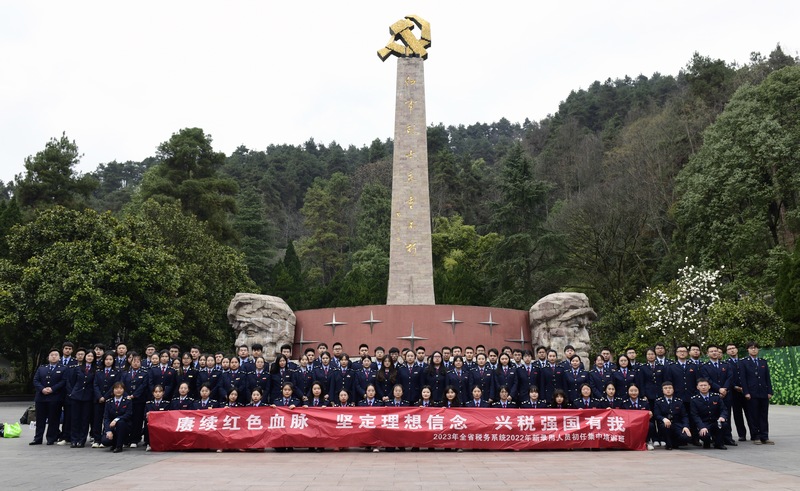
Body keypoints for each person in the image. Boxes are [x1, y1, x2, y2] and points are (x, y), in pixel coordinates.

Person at [739, 341, 774, 445]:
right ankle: (756, 436)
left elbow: (767, 378)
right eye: (751, 348)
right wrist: (746, 392)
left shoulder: (763, 362)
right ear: (748, 350)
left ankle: (765, 436)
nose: (753, 349)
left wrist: (769, 391)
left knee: (764, 415)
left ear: (758, 349)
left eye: (755, 348)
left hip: (763, 392)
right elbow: (743, 379)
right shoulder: (743, 362)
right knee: (753, 415)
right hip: (752, 393)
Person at [31, 348, 67, 446]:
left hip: (55, 397)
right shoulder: (42, 368)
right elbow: (36, 380)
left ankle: (51, 438)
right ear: (48, 357)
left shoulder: (63, 368)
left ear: (59, 357)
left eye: (56, 355)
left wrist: (52, 389)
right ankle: (37, 438)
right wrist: (42, 389)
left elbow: (63, 382)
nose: (54, 356)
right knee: (40, 419)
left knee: (53, 419)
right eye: (52, 355)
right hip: (41, 397)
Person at [690, 378, 729, 449]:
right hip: (704, 423)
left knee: (724, 424)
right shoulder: (694, 400)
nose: (703, 387)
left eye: (705, 385)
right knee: (705, 435)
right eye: (701, 385)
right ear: (697, 387)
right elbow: (695, 415)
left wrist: (722, 416)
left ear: (709, 386)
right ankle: (706, 442)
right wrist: (701, 427)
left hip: (715, 422)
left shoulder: (716, 397)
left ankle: (718, 443)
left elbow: (724, 409)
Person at [121, 352, 148, 447]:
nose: (135, 363)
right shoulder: (125, 373)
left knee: (138, 420)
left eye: (138, 361)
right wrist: (126, 395)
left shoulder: (144, 373)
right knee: (127, 419)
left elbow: (143, 386)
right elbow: (122, 385)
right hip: (127, 400)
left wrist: (134, 395)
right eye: (134, 361)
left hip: (139, 400)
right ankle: (125, 439)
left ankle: (135, 439)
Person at [92, 352, 120, 447]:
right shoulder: (99, 372)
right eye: (106, 359)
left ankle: (106, 438)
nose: (108, 361)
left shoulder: (116, 372)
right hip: (98, 399)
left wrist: (106, 397)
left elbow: (114, 386)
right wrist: (99, 396)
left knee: (108, 418)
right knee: (97, 419)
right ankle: (96, 439)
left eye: (110, 359)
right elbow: (95, 384)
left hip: (110, 399)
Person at [68, 350, 95, 448]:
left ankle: (81, 440)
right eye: (88, 356)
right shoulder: (77, 368)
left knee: (85, 419)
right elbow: (71, 381)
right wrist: (72, 393)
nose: (89, 358)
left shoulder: (95, 369)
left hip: (88, 397)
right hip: (76, 396)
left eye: (92, 356)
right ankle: (74, 439)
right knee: (75, 419)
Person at [654, 381, 691, 450]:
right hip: (665, 425)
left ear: (673, 389)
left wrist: (686, 426)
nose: (668, 390)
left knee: (686, 437)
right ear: (662, 390)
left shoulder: (679, 401)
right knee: (665, 426)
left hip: (677, 424)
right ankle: (668, 444)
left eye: (670, 388)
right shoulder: (658, 402)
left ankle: (674, 442)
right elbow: (657, 415)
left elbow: (684, 416)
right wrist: (663, 419)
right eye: (665, 388)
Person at [623, 384, 655, 450]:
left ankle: (647, 442)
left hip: (641, 423)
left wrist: (650, 414)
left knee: (651, 425)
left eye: (635, 390)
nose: (633, 393)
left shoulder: (644, 402)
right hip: (629, 424)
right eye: (631, 391)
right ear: (628, 392)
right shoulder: (624, 403)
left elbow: (648, 413)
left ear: (639, 391)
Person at [102, 382, 132, 453]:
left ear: (124, 390)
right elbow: (106, 418)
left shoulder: (127, 401)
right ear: (113, 390)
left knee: (120, 422)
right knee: (105, 441)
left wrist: (116, 420)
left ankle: (119, 446)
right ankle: (114, 443)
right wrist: (108, 431)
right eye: (116, 388)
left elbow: (128, 414)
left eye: (121, 388)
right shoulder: (109, 402)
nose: (118, 390)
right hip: (112, 427)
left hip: (124, 427)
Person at [143, 384, 169, 451]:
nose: (158, 394)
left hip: (162, 423)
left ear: (163, 393)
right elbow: (144, 416)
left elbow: (168, 415)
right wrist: (147, 416)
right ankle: (148, 443)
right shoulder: (148, 404)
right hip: (152, 423)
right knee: (146, 426)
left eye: (160, 392)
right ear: (153, 393)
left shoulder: (166, 403)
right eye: (156, 392)